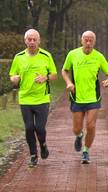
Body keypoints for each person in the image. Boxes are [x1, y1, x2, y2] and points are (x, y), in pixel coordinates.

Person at [62, 30, 108, 164]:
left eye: (91, 40)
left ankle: (86, 151)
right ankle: (79, 136)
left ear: (94, 42)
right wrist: (69, 82)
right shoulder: (72, 54)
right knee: (77, 128)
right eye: (86, 40)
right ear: (81, 41)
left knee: (91, 126)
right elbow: (64, 70)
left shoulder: (99, 56)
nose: (88, 43)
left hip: (93, 98)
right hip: (77, 97)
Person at [9, 29, 57, 167]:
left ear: (39, 41)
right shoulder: (18, 57)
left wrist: (45, 77)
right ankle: (33, 155)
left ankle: (43, 145)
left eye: (34, 39)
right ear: (25, 41)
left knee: (40, 128)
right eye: (29, 39)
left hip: (42, 99)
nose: (31, 42)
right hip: (25, 99)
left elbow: (54, 75)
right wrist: (14, 79)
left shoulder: (46, 56)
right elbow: (12, 75)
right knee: (29, 128)